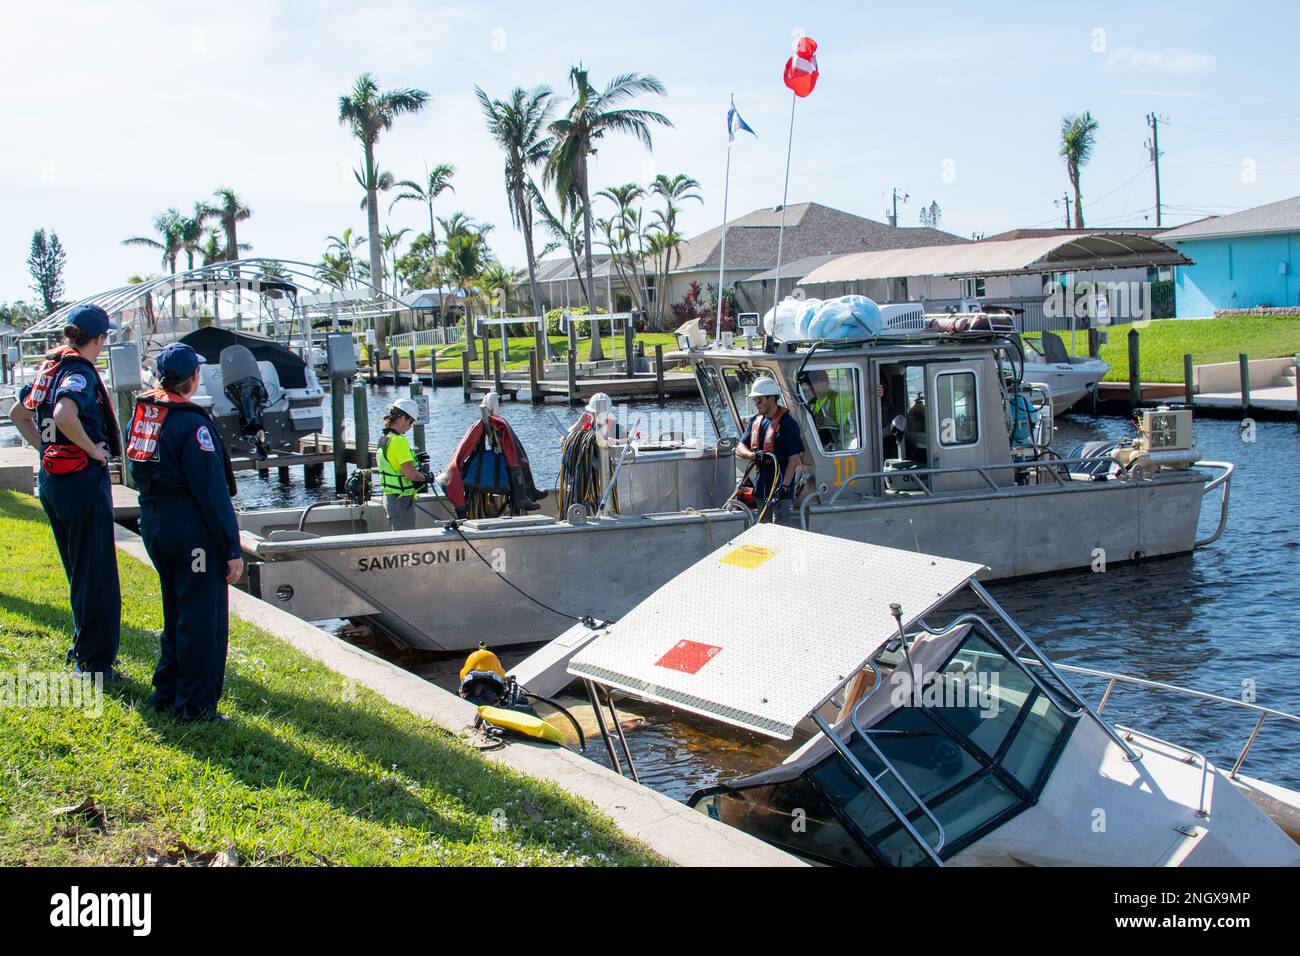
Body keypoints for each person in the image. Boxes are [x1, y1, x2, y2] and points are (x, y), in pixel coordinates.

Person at [125, 343, 241, 722]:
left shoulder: (145, 416)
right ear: (192, 378)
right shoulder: (191, 424)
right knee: (201, 618)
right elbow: (211, 492)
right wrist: (231, 547)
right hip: (191, 529)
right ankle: (195, 706)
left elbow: (135, 471)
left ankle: (167, 690)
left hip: (156, 522)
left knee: (175, 611)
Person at [10, 304, 123, 679]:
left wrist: (44, 449)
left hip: (52, 482)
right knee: (96, 573)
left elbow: (18, 415)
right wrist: (93, 449)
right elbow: (63, 415)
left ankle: (83, 650)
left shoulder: (49, 368)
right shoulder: (77, 373)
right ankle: (94, 665)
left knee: (78, 569)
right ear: (100, 339)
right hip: (80, 482)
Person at [735, 377, 805, 521]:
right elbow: (740, 448)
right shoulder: (755, 421)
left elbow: (793, 460)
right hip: (761, 488)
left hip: (780, 490)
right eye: (755, 400)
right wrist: (752, 456)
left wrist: (784, 487)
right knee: (762, 528)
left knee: (780, 529)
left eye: (759, 400)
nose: (756, 403)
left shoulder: (788, 424)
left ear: (772, 398)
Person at [376, 398, 427, 531]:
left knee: (397, 535)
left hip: (390, 498)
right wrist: (425, 477)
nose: (410, 426)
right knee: (406, 541)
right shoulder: (399, 441)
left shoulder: (384, 439)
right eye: (411, 422)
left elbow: (394, 463)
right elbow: (410, 474)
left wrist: (415, 458)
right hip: (402, 500)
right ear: (402, 418)